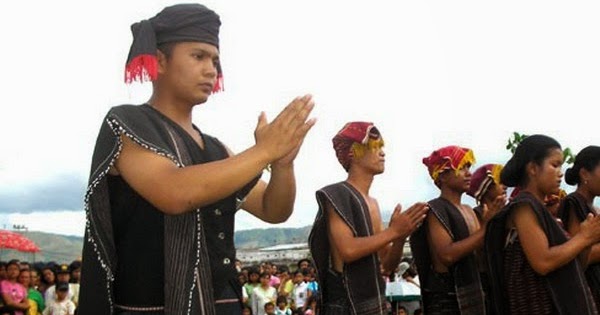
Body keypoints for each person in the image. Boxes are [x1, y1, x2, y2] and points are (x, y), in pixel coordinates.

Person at [79, 3, 316, 315]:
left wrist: (283, 164)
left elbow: (274, 209)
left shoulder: (217, 149)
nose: (211, 69)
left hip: (223, 303)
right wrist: (263, 152)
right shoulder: (126, 123)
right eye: (198, 56)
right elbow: (174, 193)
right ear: (160, 61)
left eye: (215, 60)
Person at [309, 122, 428, 315]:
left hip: (374, 302)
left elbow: (387, 265)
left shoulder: (373, 203)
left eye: (382, 147)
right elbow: (348, 249)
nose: (382, 153)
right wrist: (393, 231)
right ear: (353, 153)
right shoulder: (338, 194)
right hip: (347, 305)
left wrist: (399, 238)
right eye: (375, 147)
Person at [485, 135, 600, 314]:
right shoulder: (524, 206)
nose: (560, 172)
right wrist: (584, 238)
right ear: (533, 168)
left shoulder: (543, 210)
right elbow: (543, 262)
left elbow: (576, 266)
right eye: (554, 165)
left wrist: (585, 241)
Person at [410, 146, 502, 314]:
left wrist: (493, 226)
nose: (469, 173)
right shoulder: (435, 209)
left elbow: (478, 254)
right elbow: (447, 255)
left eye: (469, 167)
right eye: (461, 168)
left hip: (474, 293)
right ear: (442, 176)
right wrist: (485, 230)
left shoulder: (469, 210)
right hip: (447, 300)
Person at [558, 145, 600, 310]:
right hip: (586, 290)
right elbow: (579, 255)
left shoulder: (593, 209)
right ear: (584, 174)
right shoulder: (573, 203)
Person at [466, 163, 507, 314]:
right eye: (500, 182)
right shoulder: (475, 215)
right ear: (487, 187)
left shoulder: (509, 212)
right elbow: (477, 252)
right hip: (488, 282)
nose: (505, 186)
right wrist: (488, 224)